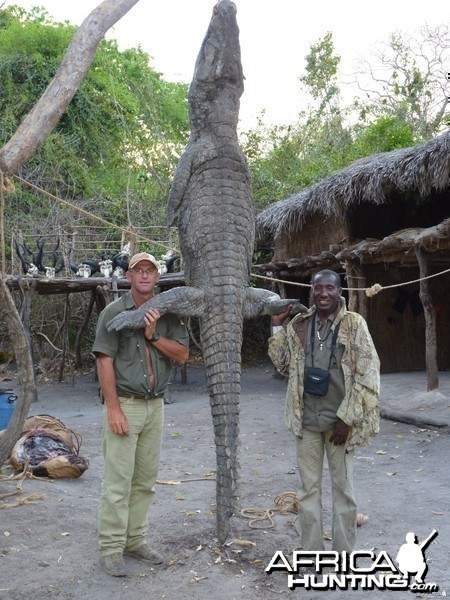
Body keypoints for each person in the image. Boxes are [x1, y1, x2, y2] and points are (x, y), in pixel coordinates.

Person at [268, 269, 380, 555]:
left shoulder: (354, 324)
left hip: (340, 424)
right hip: (306, 421)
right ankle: (312, 552)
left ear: (339, 292)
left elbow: (368, 374)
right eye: (318, 288)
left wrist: (347, 418)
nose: (324, 294)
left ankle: (344, 555)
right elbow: (282, 365)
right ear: (312, 292)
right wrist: (277, 326)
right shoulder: (300, 324)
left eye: (330, 288)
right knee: (308, 492)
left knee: (343, 492)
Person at [92, 252, 189, 577]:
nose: (145, 276)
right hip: (127, 405)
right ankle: (111, 548)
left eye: (150, 271)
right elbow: (104, 361)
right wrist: (114, 408)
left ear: (157, 278)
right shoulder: (113, 312)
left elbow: (183, 355)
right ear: (129, 277)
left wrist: (154, 336)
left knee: (145, 481)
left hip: (155, 405)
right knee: (118, 482)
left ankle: (135, 541)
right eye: (139, 271)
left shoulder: (168, 312)